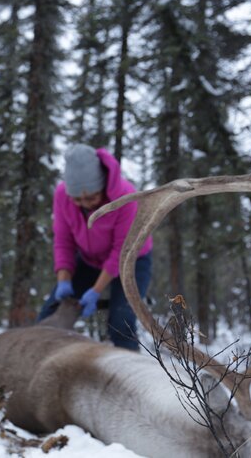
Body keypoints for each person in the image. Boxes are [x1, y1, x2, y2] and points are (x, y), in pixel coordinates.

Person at [37, 144, 153, 350]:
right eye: (77, 199)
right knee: (50, 312)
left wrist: (95, 290)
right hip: (90, 259)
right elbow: (63, 241)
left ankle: (129, 370)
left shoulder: (125, 197)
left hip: (131, 259)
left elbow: (121, 252)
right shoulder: (62, 196)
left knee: (121, 320)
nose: (84, 204)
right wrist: (63, 280)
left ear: (102, 186)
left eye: (91, 197)